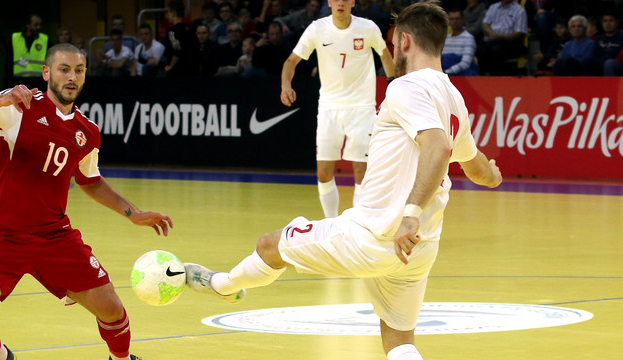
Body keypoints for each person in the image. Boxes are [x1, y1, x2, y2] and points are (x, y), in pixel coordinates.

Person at [182, 3, 502, 360]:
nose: (392, 51)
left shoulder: (405, 88)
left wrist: (410, 213)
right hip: (418, 248)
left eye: (394, 44)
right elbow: (475, 168)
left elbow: (439, 147)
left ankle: (221, 285)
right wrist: (493, 174)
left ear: (405, 40)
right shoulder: (453, 98)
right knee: (399, 341)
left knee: (270, 245)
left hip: (375, 236)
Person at [0, 43, 173, 360]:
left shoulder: (87, 131)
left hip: (55, 237)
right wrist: (2, 97)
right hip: (3, 235)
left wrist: (133, 213)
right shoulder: (20, 105)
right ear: (46, 73)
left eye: (79, 70)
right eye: (64, 69)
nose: (72, 76)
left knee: (112, 309)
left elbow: (91, 181)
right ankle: (1, 357)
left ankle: (121, 359)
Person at [281, 0, 394, 218]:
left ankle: (360, 224)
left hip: (362, 108)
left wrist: (393, 84)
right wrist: (286, 86)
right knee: (323, 172)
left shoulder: (367, 27)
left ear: (352, 2)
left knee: (361, 171)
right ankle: (331, 224)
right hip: (329, 109)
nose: (340, 3)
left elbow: (385, 55)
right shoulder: (317, 29)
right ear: (330, 3)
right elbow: (291, 61)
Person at [476, 0, 528, 75]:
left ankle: (495, 79)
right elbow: (485, 24)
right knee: (479, 49)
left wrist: (499, 37)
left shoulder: (519, 10)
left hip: (509, 43)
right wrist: (492, 34)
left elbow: (519, 33)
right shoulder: (493, 7)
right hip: (491, 40)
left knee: (495, 50)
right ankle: (482, 79)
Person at [163, 0, 200, 76]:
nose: (168, 15)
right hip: (193, 71)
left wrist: (170, 66)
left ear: (173, 12)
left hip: (179, 72)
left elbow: (177, 50)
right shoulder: (190, 29)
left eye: (168, 12)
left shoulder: (172, 31)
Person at [442, 9, 478, 76]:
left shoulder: (469, 38)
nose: (455, 21)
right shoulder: (445, 38)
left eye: (457, 19)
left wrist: (447, 72)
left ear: (463, 20)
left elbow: (466, 63)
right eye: (452, 19)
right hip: (443, 73)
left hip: (460, 75)